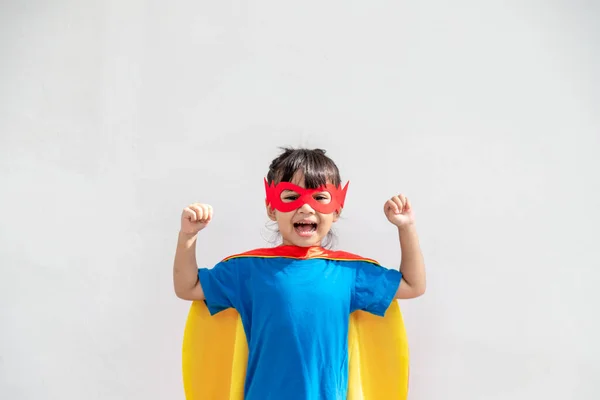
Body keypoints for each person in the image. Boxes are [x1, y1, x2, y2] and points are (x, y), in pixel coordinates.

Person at [173, 147, 426, 400]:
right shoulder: (248, 269)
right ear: (271, 208)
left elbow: (413, 285)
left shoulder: (349, 272)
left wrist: (407, 227)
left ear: (336, 210)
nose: (305, 207)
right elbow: (188, 287)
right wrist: (188, 235)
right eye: (291, 196)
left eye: (320, 197)